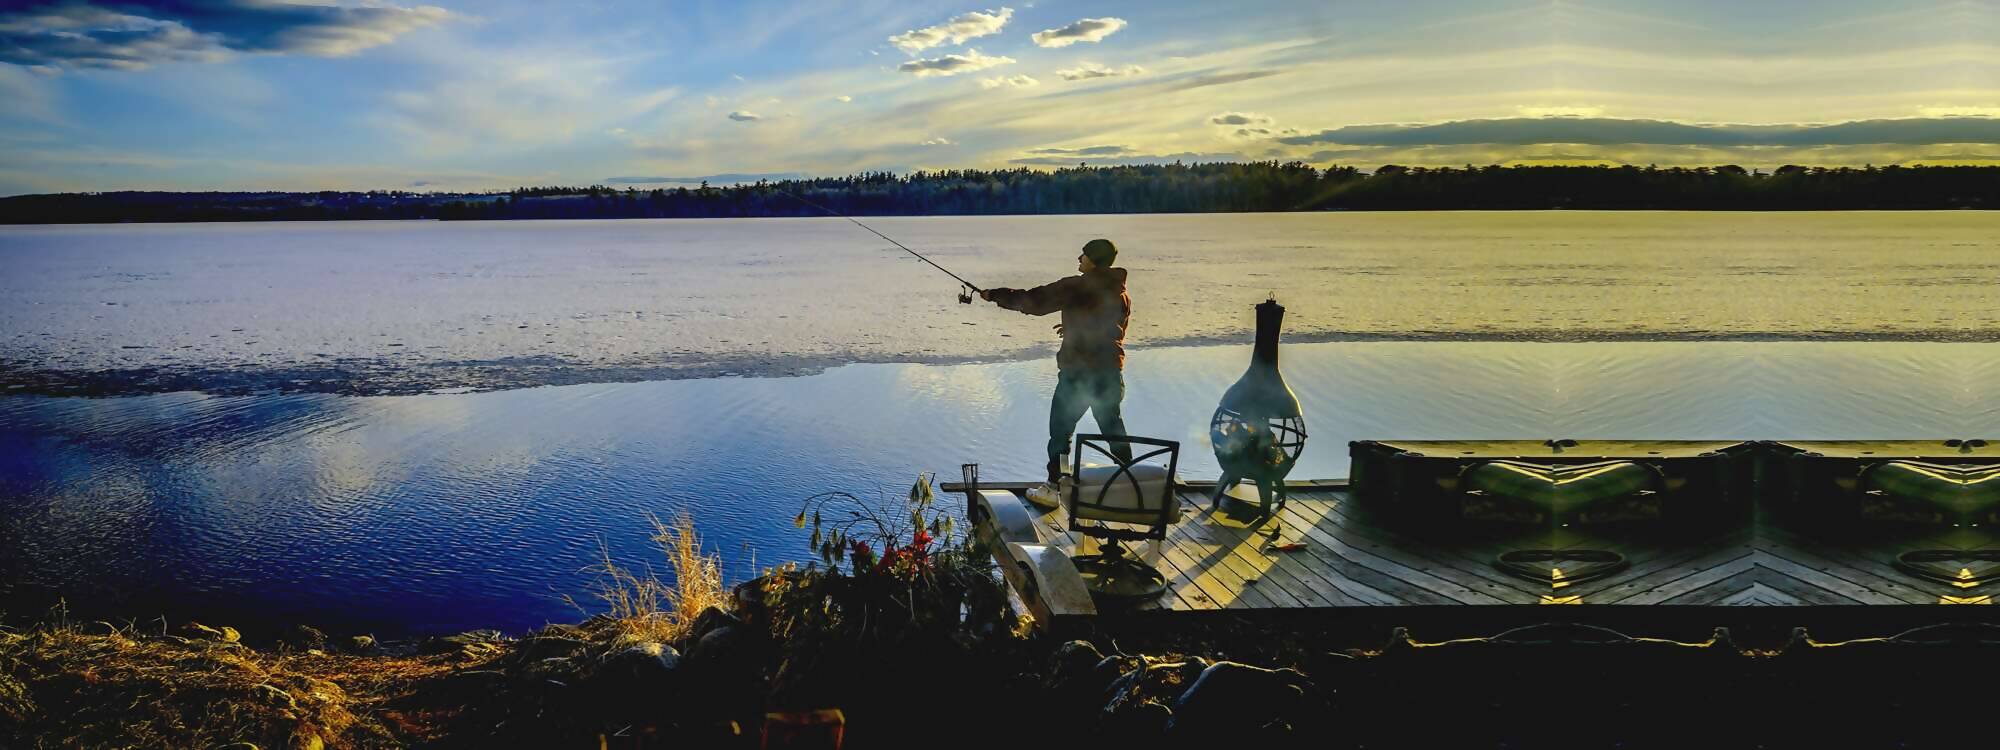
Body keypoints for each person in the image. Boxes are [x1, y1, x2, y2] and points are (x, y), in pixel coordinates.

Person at [981, 238, 1132, 496]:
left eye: (1083, 255)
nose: (1079, 259)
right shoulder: (1120, 291)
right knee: (1112, 427)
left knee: (1061, 430)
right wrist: (1073, 328)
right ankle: (1131, 479)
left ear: (1093, 260)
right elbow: (1109, 326)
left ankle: (1054, 486)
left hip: (1079, 374)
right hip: (1109, 371)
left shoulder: (1076, 287)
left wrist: (995, 295)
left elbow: (1034, 302)